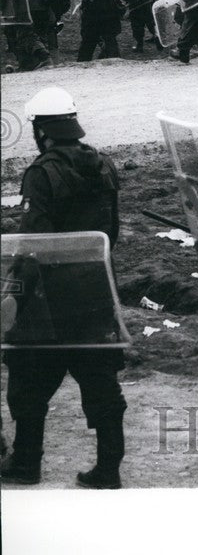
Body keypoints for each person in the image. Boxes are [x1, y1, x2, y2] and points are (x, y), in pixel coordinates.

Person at [0, 87, 127, 489]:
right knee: (101, 383)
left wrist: (14, 294)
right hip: (96, 291)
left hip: (51, 300)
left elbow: (33, 246)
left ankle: (26, 463)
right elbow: (111, 233)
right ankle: (108, 468)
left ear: (41, 130)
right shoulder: (104, 165)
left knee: (28, 379)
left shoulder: (41, 173)